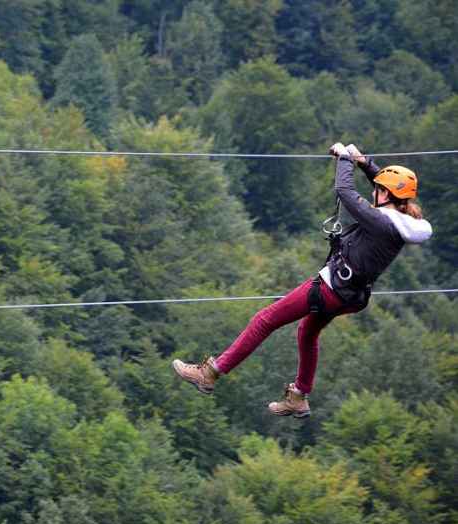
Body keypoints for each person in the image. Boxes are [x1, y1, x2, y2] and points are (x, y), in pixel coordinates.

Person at [172, 142, 432, 418]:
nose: (373, 192)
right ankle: (298, 396)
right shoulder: (401, 221)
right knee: (307, 332)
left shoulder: (380, 221)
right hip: (350, 296)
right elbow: (387, 189)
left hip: (330, 288)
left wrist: (344, 159)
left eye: (378, 189)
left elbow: (344, 191)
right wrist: (364, 162)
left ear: (386, 194)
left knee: (264, 320)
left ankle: (210, 373)